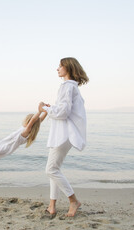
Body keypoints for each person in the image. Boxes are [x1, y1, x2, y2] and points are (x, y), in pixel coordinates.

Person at [39, 57, 89, 217]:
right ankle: (52, 206)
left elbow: (63, 112)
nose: (57, 69)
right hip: (62, 133)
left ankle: (73, 200)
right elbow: (63, 109)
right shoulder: (71, 87)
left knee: (51, 169)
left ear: (68, 67)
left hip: (64, 134)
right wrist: (51, 107)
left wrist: (46, 109)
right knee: (55, 169)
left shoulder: (67, 87)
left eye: (60, 66)